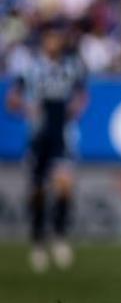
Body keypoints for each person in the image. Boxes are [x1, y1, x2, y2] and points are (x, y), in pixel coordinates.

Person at [5, 24, 88, 273]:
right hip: (38, 136)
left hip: (63, 134)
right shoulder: (31, 68)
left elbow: (82, 95)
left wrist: (77, 109)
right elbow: (12, 99)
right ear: (44, 42)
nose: (54, 43)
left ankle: (60, 237)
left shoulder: (71, 67)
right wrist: (26, 108)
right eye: (50, 39)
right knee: (38, 190)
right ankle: (38, 242)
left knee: (64, 185)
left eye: (57, 39)